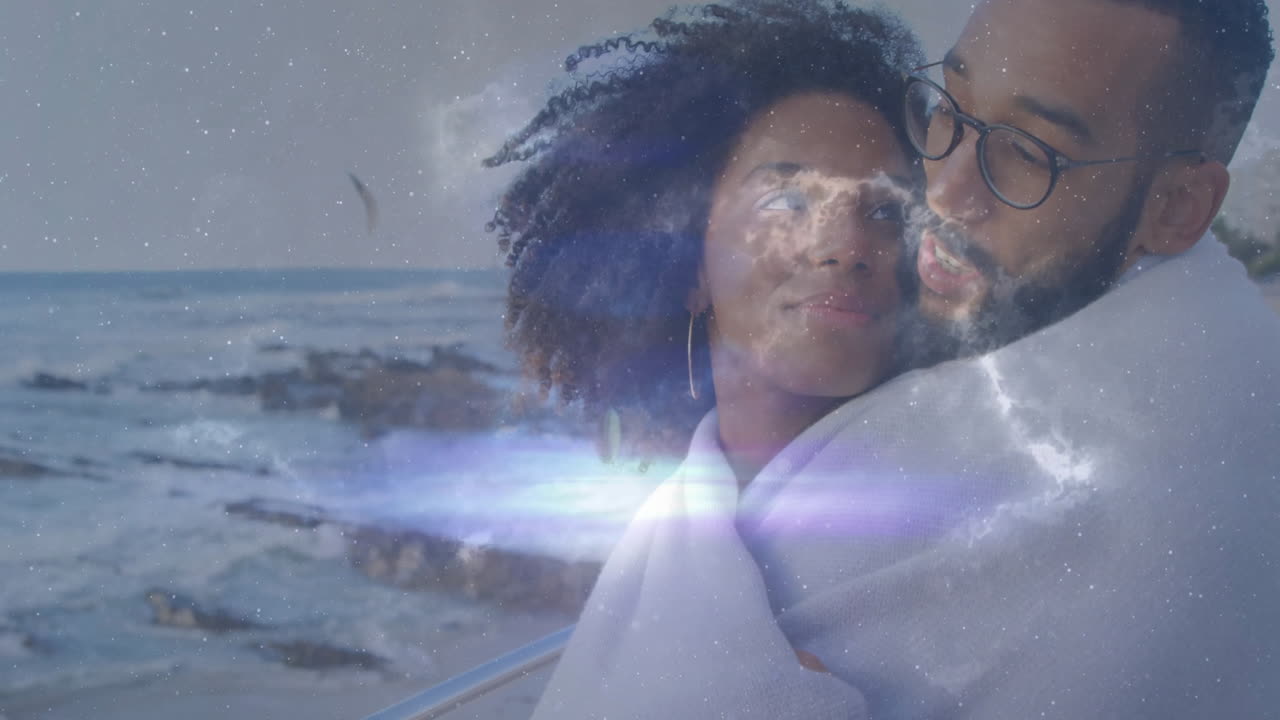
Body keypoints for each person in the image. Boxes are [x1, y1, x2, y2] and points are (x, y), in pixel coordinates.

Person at [503, 0, 1280, 718]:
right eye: (949, 109)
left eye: (1026, 153)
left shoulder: (1134, 451)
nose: (939, 192)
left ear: (1177, 208)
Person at [484, 1, 924, 716]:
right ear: (690, 268)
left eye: (885, 211)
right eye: (788, 198)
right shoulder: (661, 538)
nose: (844, 244)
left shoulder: (974, 503)